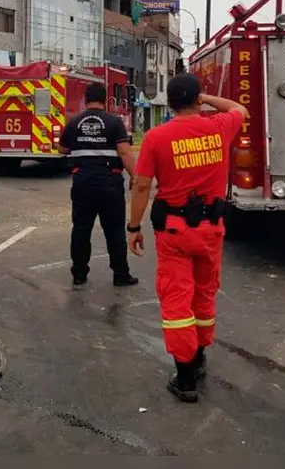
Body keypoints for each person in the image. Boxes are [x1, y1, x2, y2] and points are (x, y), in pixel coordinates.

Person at [125, 73, 248, 404]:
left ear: (169, 102)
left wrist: (133, 227)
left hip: (175, 232)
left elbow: (141, 185)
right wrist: (207, 99)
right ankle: (200, 356)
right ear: (196, 100)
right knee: (205, 294)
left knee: (177, 300)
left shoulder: (156, 137)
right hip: (211, 230)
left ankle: (185, 377)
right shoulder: (220, 127)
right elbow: (240, 109)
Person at [58, 82, 139, 287]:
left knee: (81, 229)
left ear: (86, 100)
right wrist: (135, 177)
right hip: (109, 184)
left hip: (82, 183)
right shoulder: (114, 123)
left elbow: (62, 149)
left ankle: (79, 274)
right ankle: (120, 274)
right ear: (105, 100)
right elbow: (124, 152)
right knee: (114, 230)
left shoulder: (74, 122)